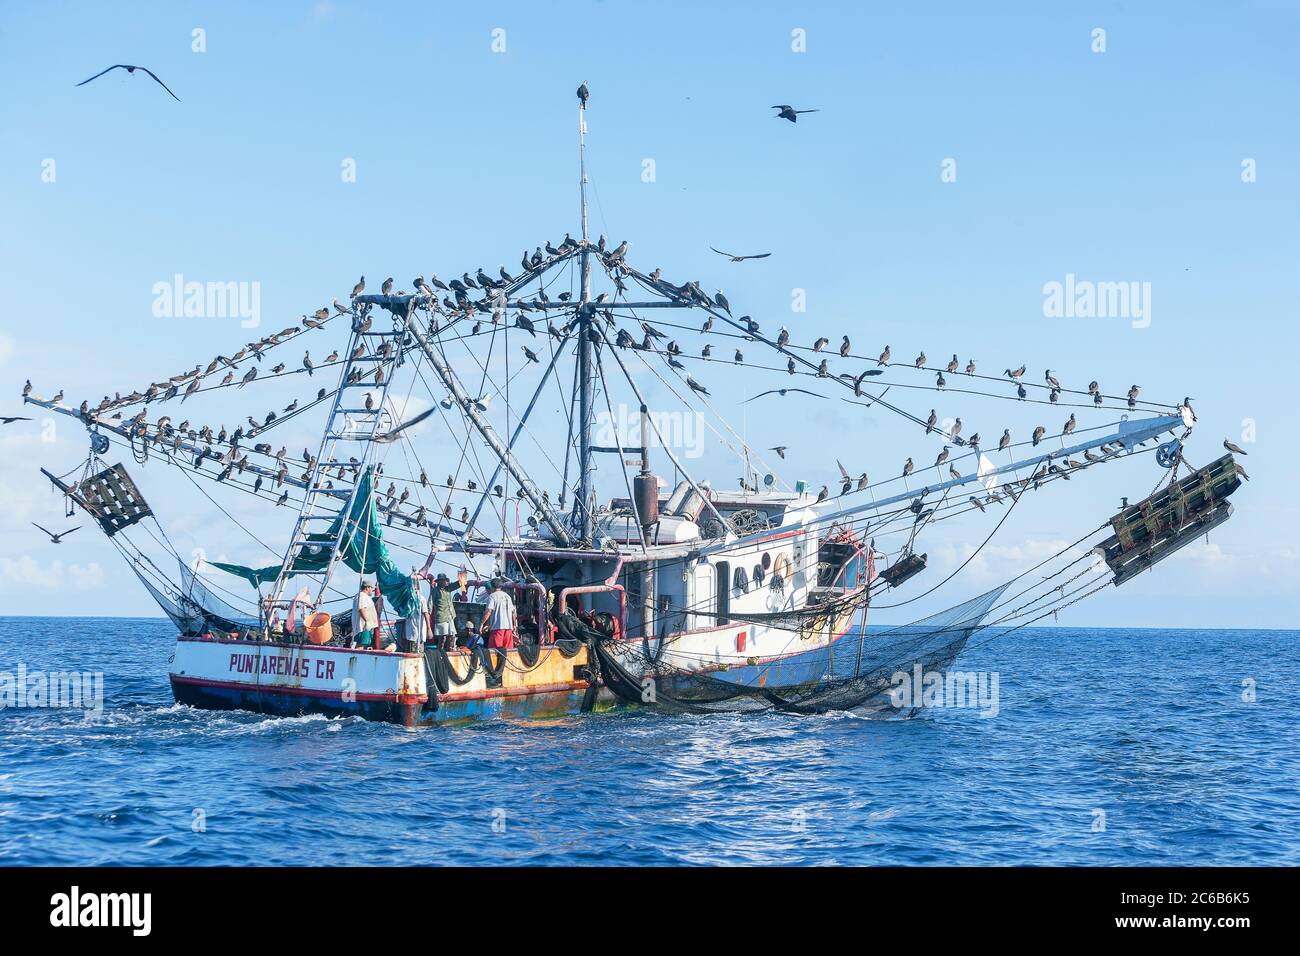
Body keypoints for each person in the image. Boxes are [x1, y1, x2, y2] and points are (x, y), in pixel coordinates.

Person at [479, 577, 517, 650]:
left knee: (495, 651)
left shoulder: (492, 596)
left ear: (492, 587)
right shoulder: (507, 596)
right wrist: (514, 625)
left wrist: (481, 624)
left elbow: (488, 611)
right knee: (508, 651)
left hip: (497, 629)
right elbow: (513, 612)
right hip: (509, 629)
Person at [431, 572, 458, 651]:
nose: (445, 582)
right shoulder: (435, 590)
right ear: (439, 582)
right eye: (443, 581)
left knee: (452, 635)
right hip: (442, 616)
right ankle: (440, 652)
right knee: (442, 637)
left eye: (446, 581)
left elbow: (456, 585)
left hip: (450, 615)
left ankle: (450, 650)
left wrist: (462, 578)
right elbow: (433, 602)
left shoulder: (448, 589)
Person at [352, 580, 378, 648]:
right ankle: (356, 657)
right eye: (372, 588)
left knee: (364, 645)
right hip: (363, 627)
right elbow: (362, 609)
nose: (372, 590)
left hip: (366, 626)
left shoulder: (364, 596)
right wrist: (367, 621)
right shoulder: (362, 596)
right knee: (361, 645)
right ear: (367, 587)